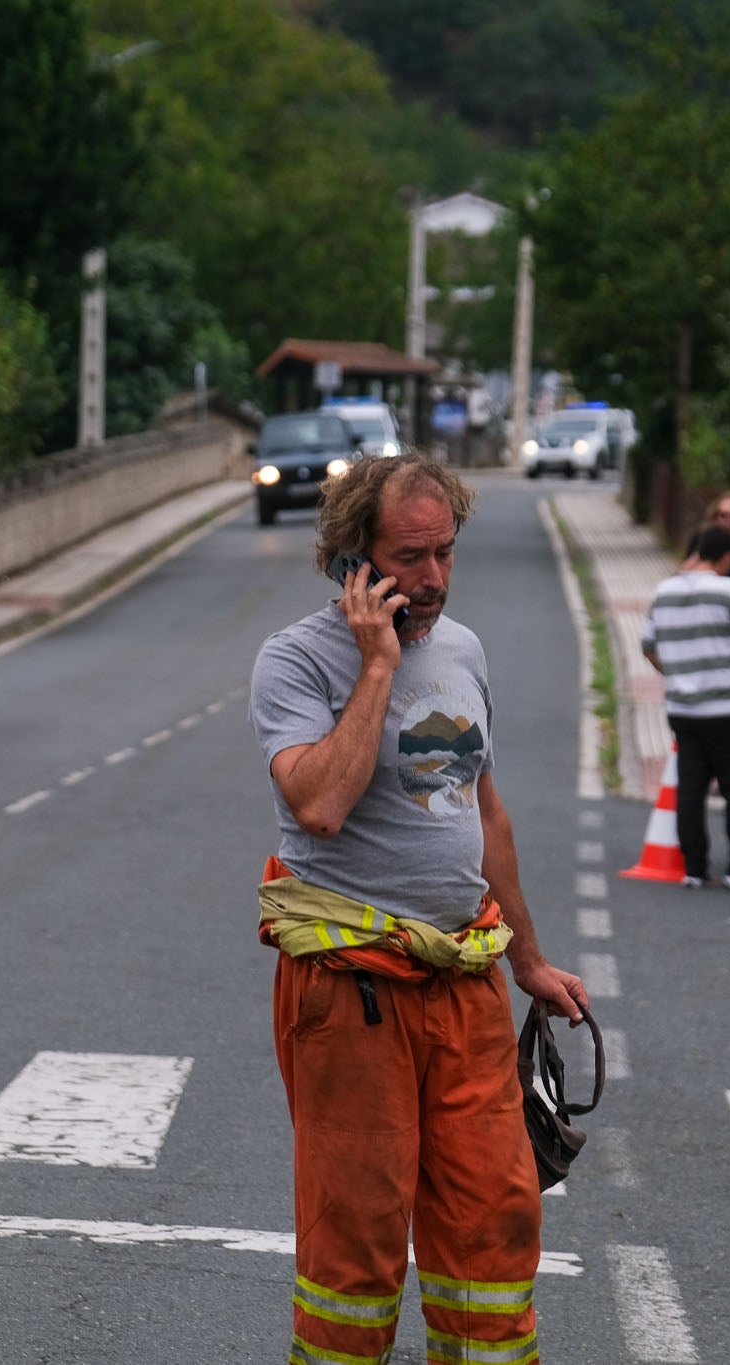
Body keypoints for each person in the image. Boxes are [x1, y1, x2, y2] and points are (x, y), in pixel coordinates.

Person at [249, 453, 589, 1365]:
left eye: (444, 553)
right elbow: (318, 802)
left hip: (463, 980)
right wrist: (376, 666)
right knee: (354, 1237)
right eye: (409, 556)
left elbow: (484, 808)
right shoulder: (293, 661)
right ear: (350, 559)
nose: (432, 578)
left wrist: (528, 962)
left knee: (494, 1218)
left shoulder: (467, 652)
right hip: (352, 990)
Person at [643, 524, 730, 893]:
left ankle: (695, 867)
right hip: (729, 707)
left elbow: (648, 645)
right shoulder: (729, 590)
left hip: (683, 707)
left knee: (691, 786)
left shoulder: (665, 590)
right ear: (725, 557)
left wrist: (675, 673)